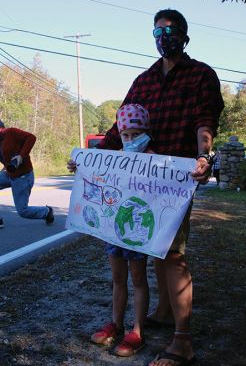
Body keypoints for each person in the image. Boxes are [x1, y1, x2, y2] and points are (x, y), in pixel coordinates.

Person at [68, 8, 224, 365]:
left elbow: (205, 120)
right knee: (154, 245)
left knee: (171, 253)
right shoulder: (144, 79)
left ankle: (182, 340)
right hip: (138, 179)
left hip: (175, 179)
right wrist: (88, 158)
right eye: (157, 32)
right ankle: (165, 314)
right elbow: (118, 126)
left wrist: (204, 156)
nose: (163, 38)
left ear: (184, 35)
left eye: (169, 32)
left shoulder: (201, 74)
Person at [68, 104, 154, 357]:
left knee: (138, 279)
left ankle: (138, 330)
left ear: (146, 132)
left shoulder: (156, 160)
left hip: (137, 230)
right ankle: (116, 324)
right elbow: (96, 177)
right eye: (125, 134)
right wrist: (80, 167)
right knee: (117, 277)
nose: (130, 139)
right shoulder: (113, 156)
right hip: (113, 229)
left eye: (136, 134)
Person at [0, 121, 54, 227]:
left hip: (23, 177)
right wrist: (5, 167)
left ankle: (46, 212)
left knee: (23, 211)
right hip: (9, 174)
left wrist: (21, 155)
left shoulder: (11, 132)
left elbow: (31, 137)